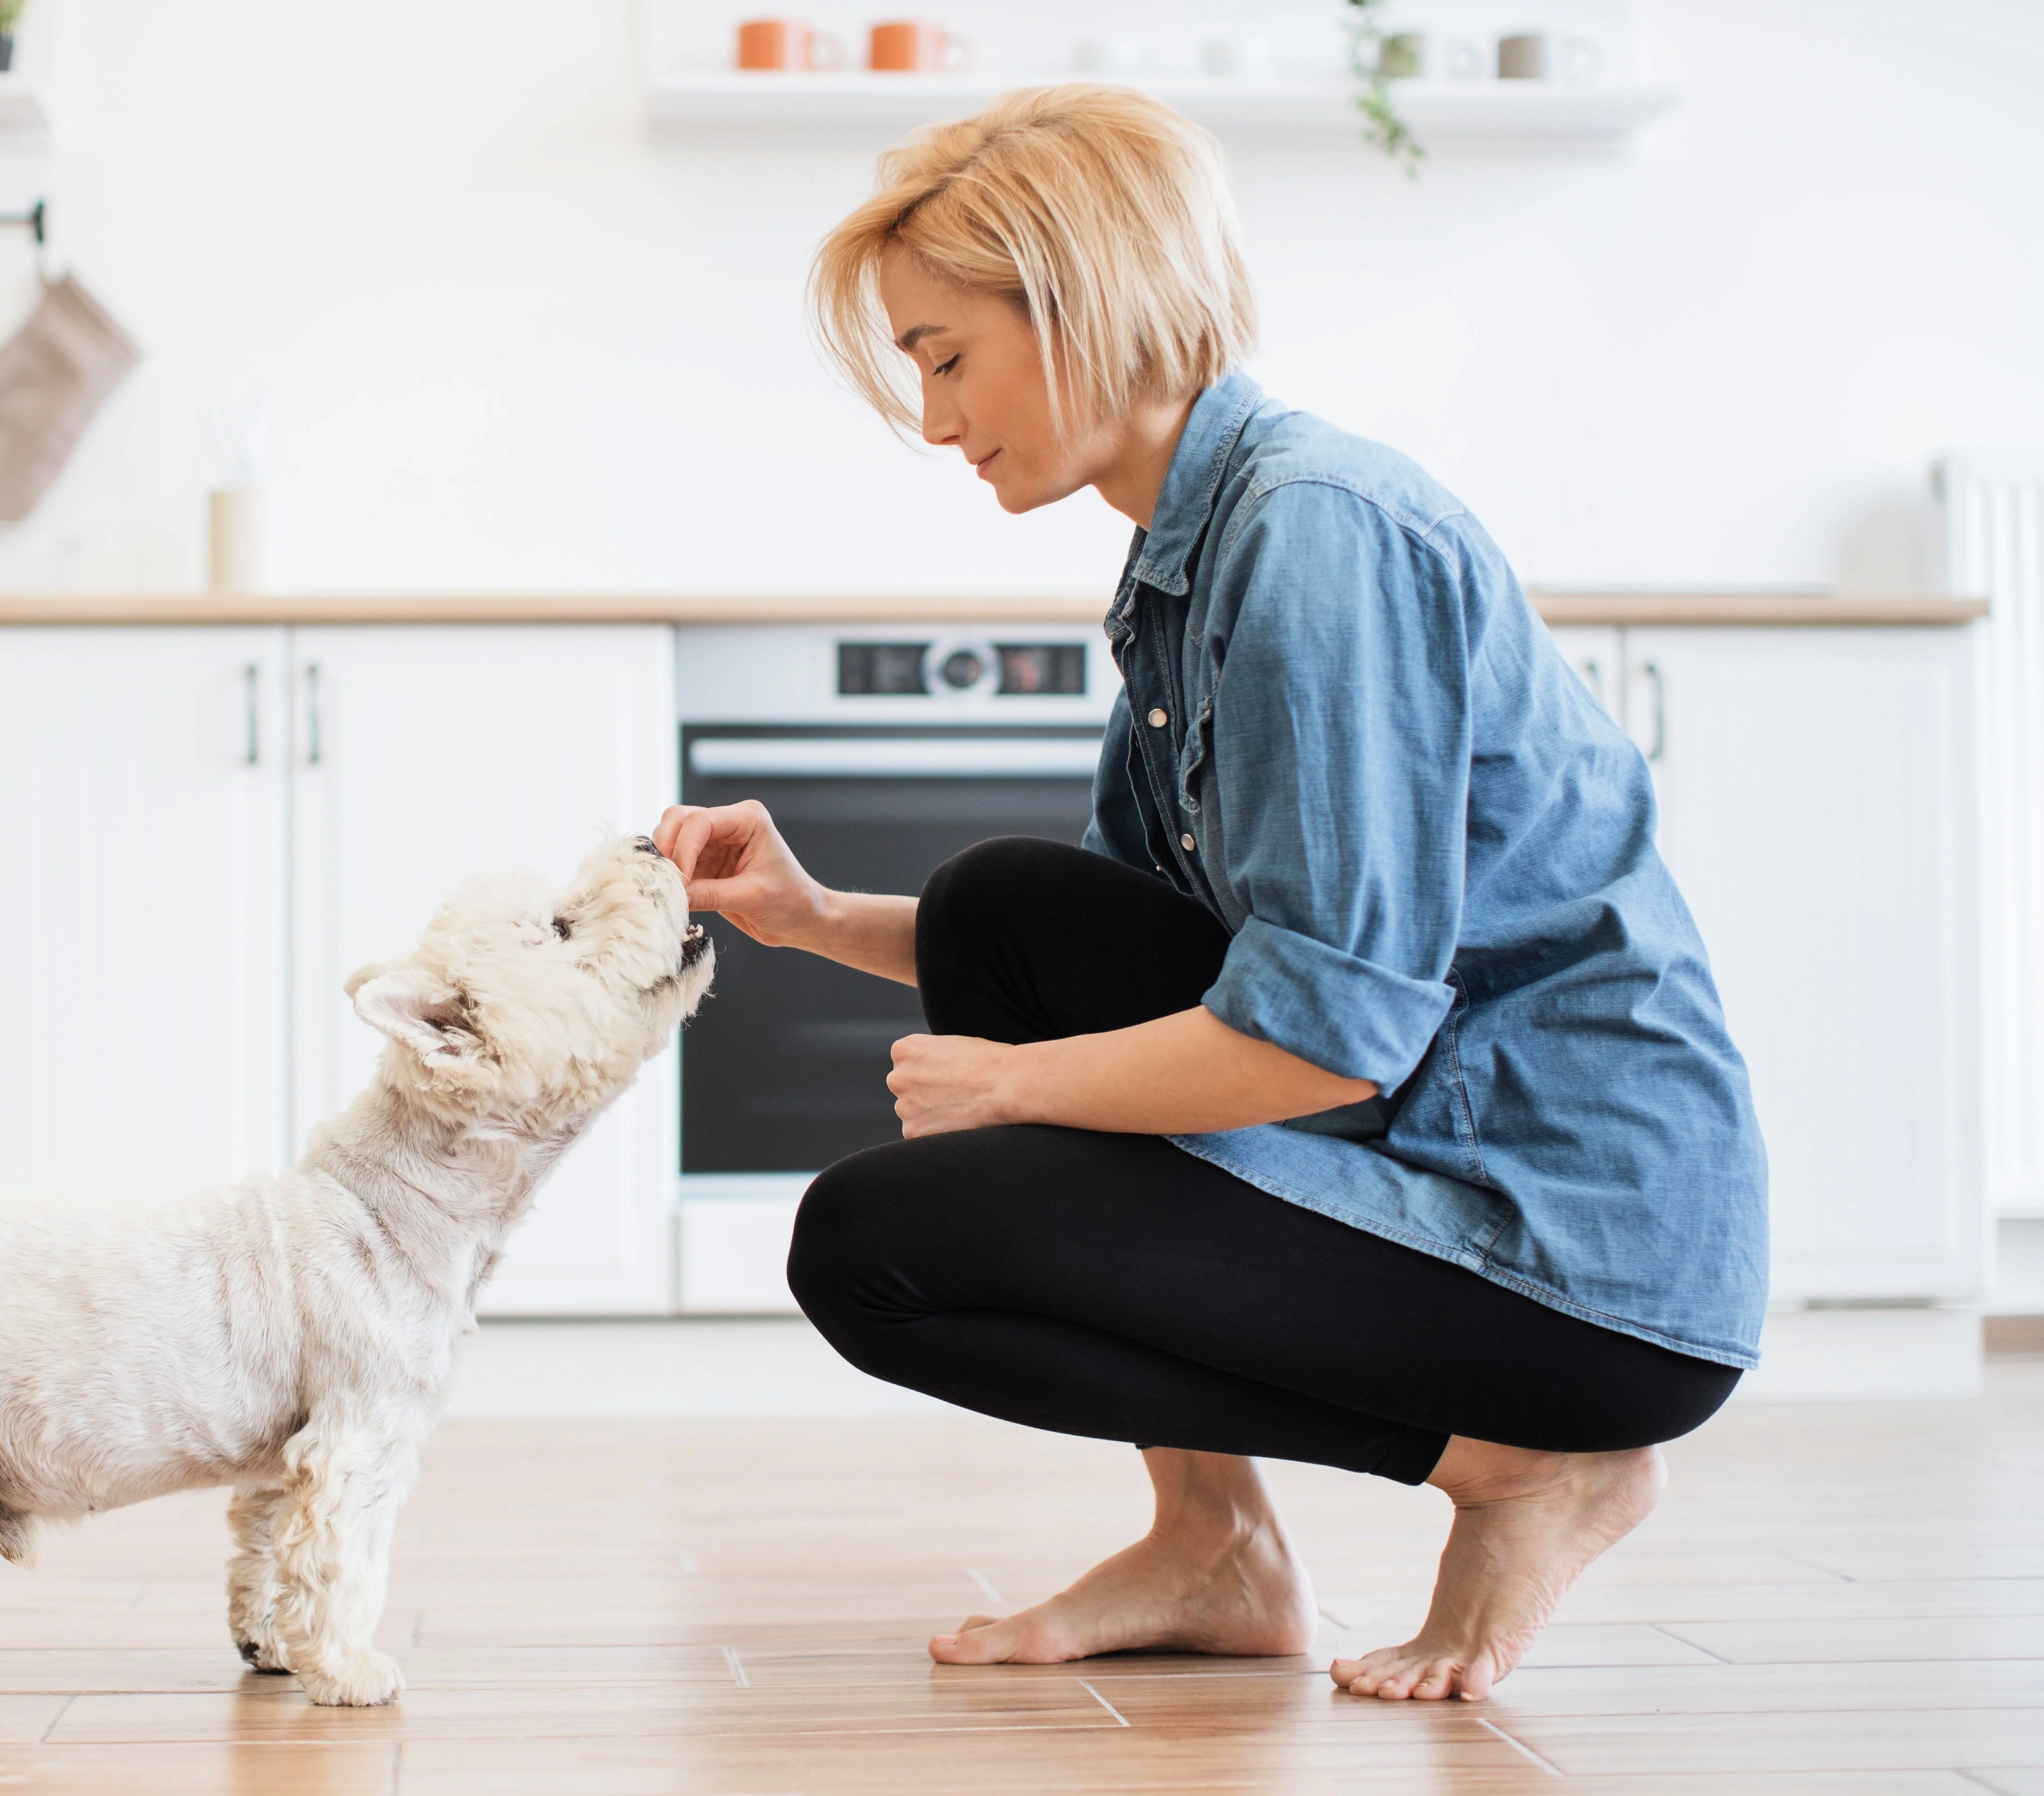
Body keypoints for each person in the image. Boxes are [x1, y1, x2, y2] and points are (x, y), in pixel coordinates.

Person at [653, 85, 1766, 1704]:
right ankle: (1213, 1543)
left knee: (870, 1245)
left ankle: (1527, 1466)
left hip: (1575, 1254)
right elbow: (1112, 959)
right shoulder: (1195, 552)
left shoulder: (1313, 535)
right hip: (1425, 1155)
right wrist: (817, 919)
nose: (933, 416)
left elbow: (1325, 1036)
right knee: (1000, 909)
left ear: (1084, 300)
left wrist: (1013, 1087)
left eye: (946, 357)